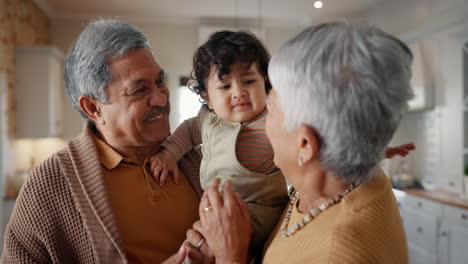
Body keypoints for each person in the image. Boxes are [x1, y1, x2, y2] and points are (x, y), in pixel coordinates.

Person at [179, 22, 413, 264]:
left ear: (305, 145)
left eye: (270, 109)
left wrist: (231, 255)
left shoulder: (336, 255)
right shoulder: (358, 179)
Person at [1, 19, 203, 263]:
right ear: (93, 107)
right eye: (139, 90)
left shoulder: (195, 157)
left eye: (159, 81)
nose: (160, 99)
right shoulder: (49, 186)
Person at [149, 31, 290, 255]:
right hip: (216, 210)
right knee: (192, 247)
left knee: (203, 246)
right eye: (225, 87)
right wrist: (168, 154)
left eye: (249, 81)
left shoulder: (272, 120)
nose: (238, 92)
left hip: (262, 213)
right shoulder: (207, 120)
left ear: (266, 83)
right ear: (207, 98)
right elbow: (187, 130)